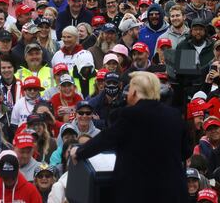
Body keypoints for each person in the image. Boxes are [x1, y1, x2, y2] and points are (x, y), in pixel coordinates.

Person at [70, 72, 190, 203]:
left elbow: (106, 138)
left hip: (139, 193)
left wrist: (80, 152)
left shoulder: (130, 114)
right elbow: (185, 151)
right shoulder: (174, 115)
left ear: (135, 92)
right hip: (173, 192)